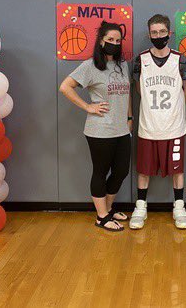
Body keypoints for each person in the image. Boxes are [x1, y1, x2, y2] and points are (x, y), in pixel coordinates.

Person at [59, 21, 132, 232]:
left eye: (118, 41)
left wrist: (129, 117)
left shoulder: (122, 64)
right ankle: (101, 217)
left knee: (121, 171)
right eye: (110, 40)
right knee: (100, 171)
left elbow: (126, 93)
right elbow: (65, 87)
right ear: (101, 41)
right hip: (99, 130)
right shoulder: (90, 65)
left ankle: (107, 210)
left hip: (121, 129)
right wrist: (88, 106)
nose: (114, 44)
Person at [130, 14, 186, 229]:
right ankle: (140, 207)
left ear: (169, 33)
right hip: (148, 126)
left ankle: (179, 206)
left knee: (177, 169)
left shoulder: (180, 59)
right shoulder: (140, 60)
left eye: (162, 32)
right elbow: (140, 90)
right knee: (144, 169)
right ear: (149, 34)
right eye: (154, 32)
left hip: (174, 126)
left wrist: (173, 109)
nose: (158, 36)